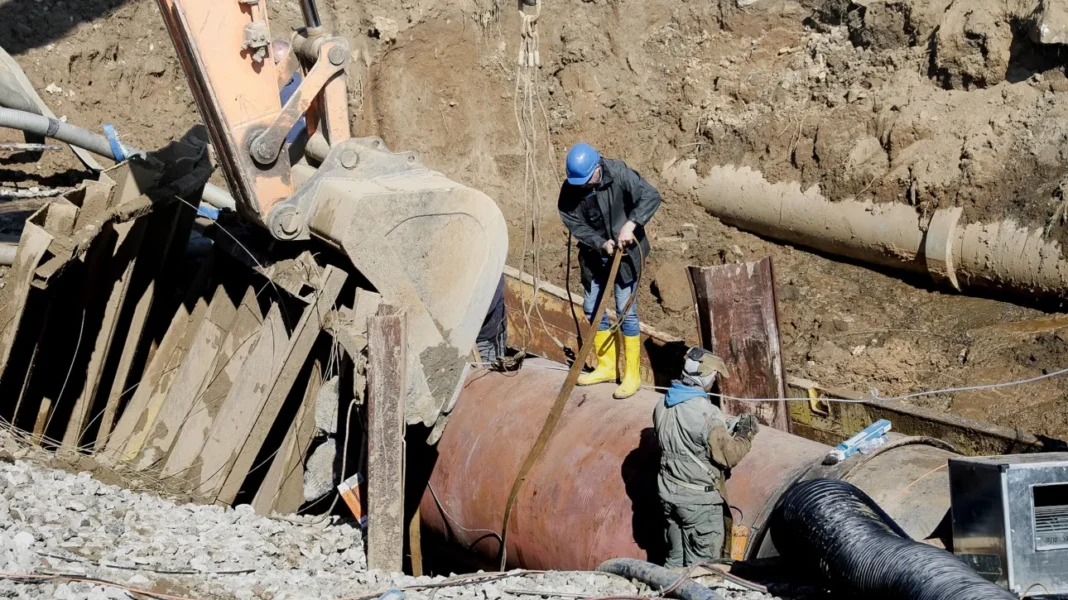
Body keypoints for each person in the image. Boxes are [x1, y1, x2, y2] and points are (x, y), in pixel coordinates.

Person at [557, 142, 662, 399]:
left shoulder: (618, 172)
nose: (582, 186)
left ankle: (631, 374)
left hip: (626, 257)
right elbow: (573, 222)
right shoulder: (571, 189)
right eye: (577, 182)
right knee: (593, 308)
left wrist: (631, 223)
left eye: (586, 180)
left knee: (626, 312)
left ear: (597, 167)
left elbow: (651, 195)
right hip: (596, 256)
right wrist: (600, 243)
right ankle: (606, 366)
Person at [653, 347, 759, 568]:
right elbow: (728, 457)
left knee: (674, 562)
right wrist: (745, 434)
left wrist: (722, 426)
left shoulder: (662, 404)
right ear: (707, 378)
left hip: (669, 496)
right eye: (715, 376)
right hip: (698, 504)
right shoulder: (706, 413)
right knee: (702, 569)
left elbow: (688, 437)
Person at [476, 275, 508, 366]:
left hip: (487, 339)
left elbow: (485, 308)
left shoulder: (492, 273)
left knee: (488, 375)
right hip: (467, 336)